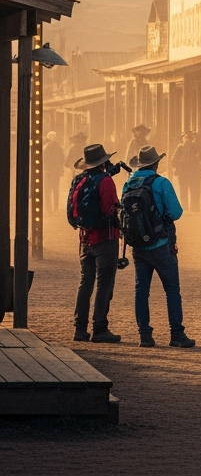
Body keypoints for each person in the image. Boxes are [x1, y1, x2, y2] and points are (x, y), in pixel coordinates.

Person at [121, 145, 194, 348]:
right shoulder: (162, 183)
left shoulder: (128, 184)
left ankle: (145, 335)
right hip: (161, 243)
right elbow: (176, 212)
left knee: (141, 290)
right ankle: (176, 334)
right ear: (156, 163)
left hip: (137, 246)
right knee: (171, 289)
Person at [68, 144, 123, 343]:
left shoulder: (79, 179)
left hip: (84, 238)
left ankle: (80, 329)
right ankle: (100, 328)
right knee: (104, 283)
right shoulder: (106, 181)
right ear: (104, 162)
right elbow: (109, 208)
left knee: (85, 283)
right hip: (105, 238)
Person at [172, 131, 201, 211]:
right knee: (183, 191)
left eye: (190, 138)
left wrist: (196, 158)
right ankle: (184, 207)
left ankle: (195, 208)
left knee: (195, 191)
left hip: (194, 173)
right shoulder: (180, 148)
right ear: (183, 138)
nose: (188, 140)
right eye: (186, 138)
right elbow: (173, 161)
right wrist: (181, 161)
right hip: (183, 173)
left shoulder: (196, 148)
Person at [43, 131, 65, 214]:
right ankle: (56, 208)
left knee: (47, 190)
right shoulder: (59, 147)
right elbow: (62, 158)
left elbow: (43, 159)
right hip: (56, 171)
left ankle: (49, 208)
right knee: (55, 189)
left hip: (48, 171)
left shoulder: (45, 147)